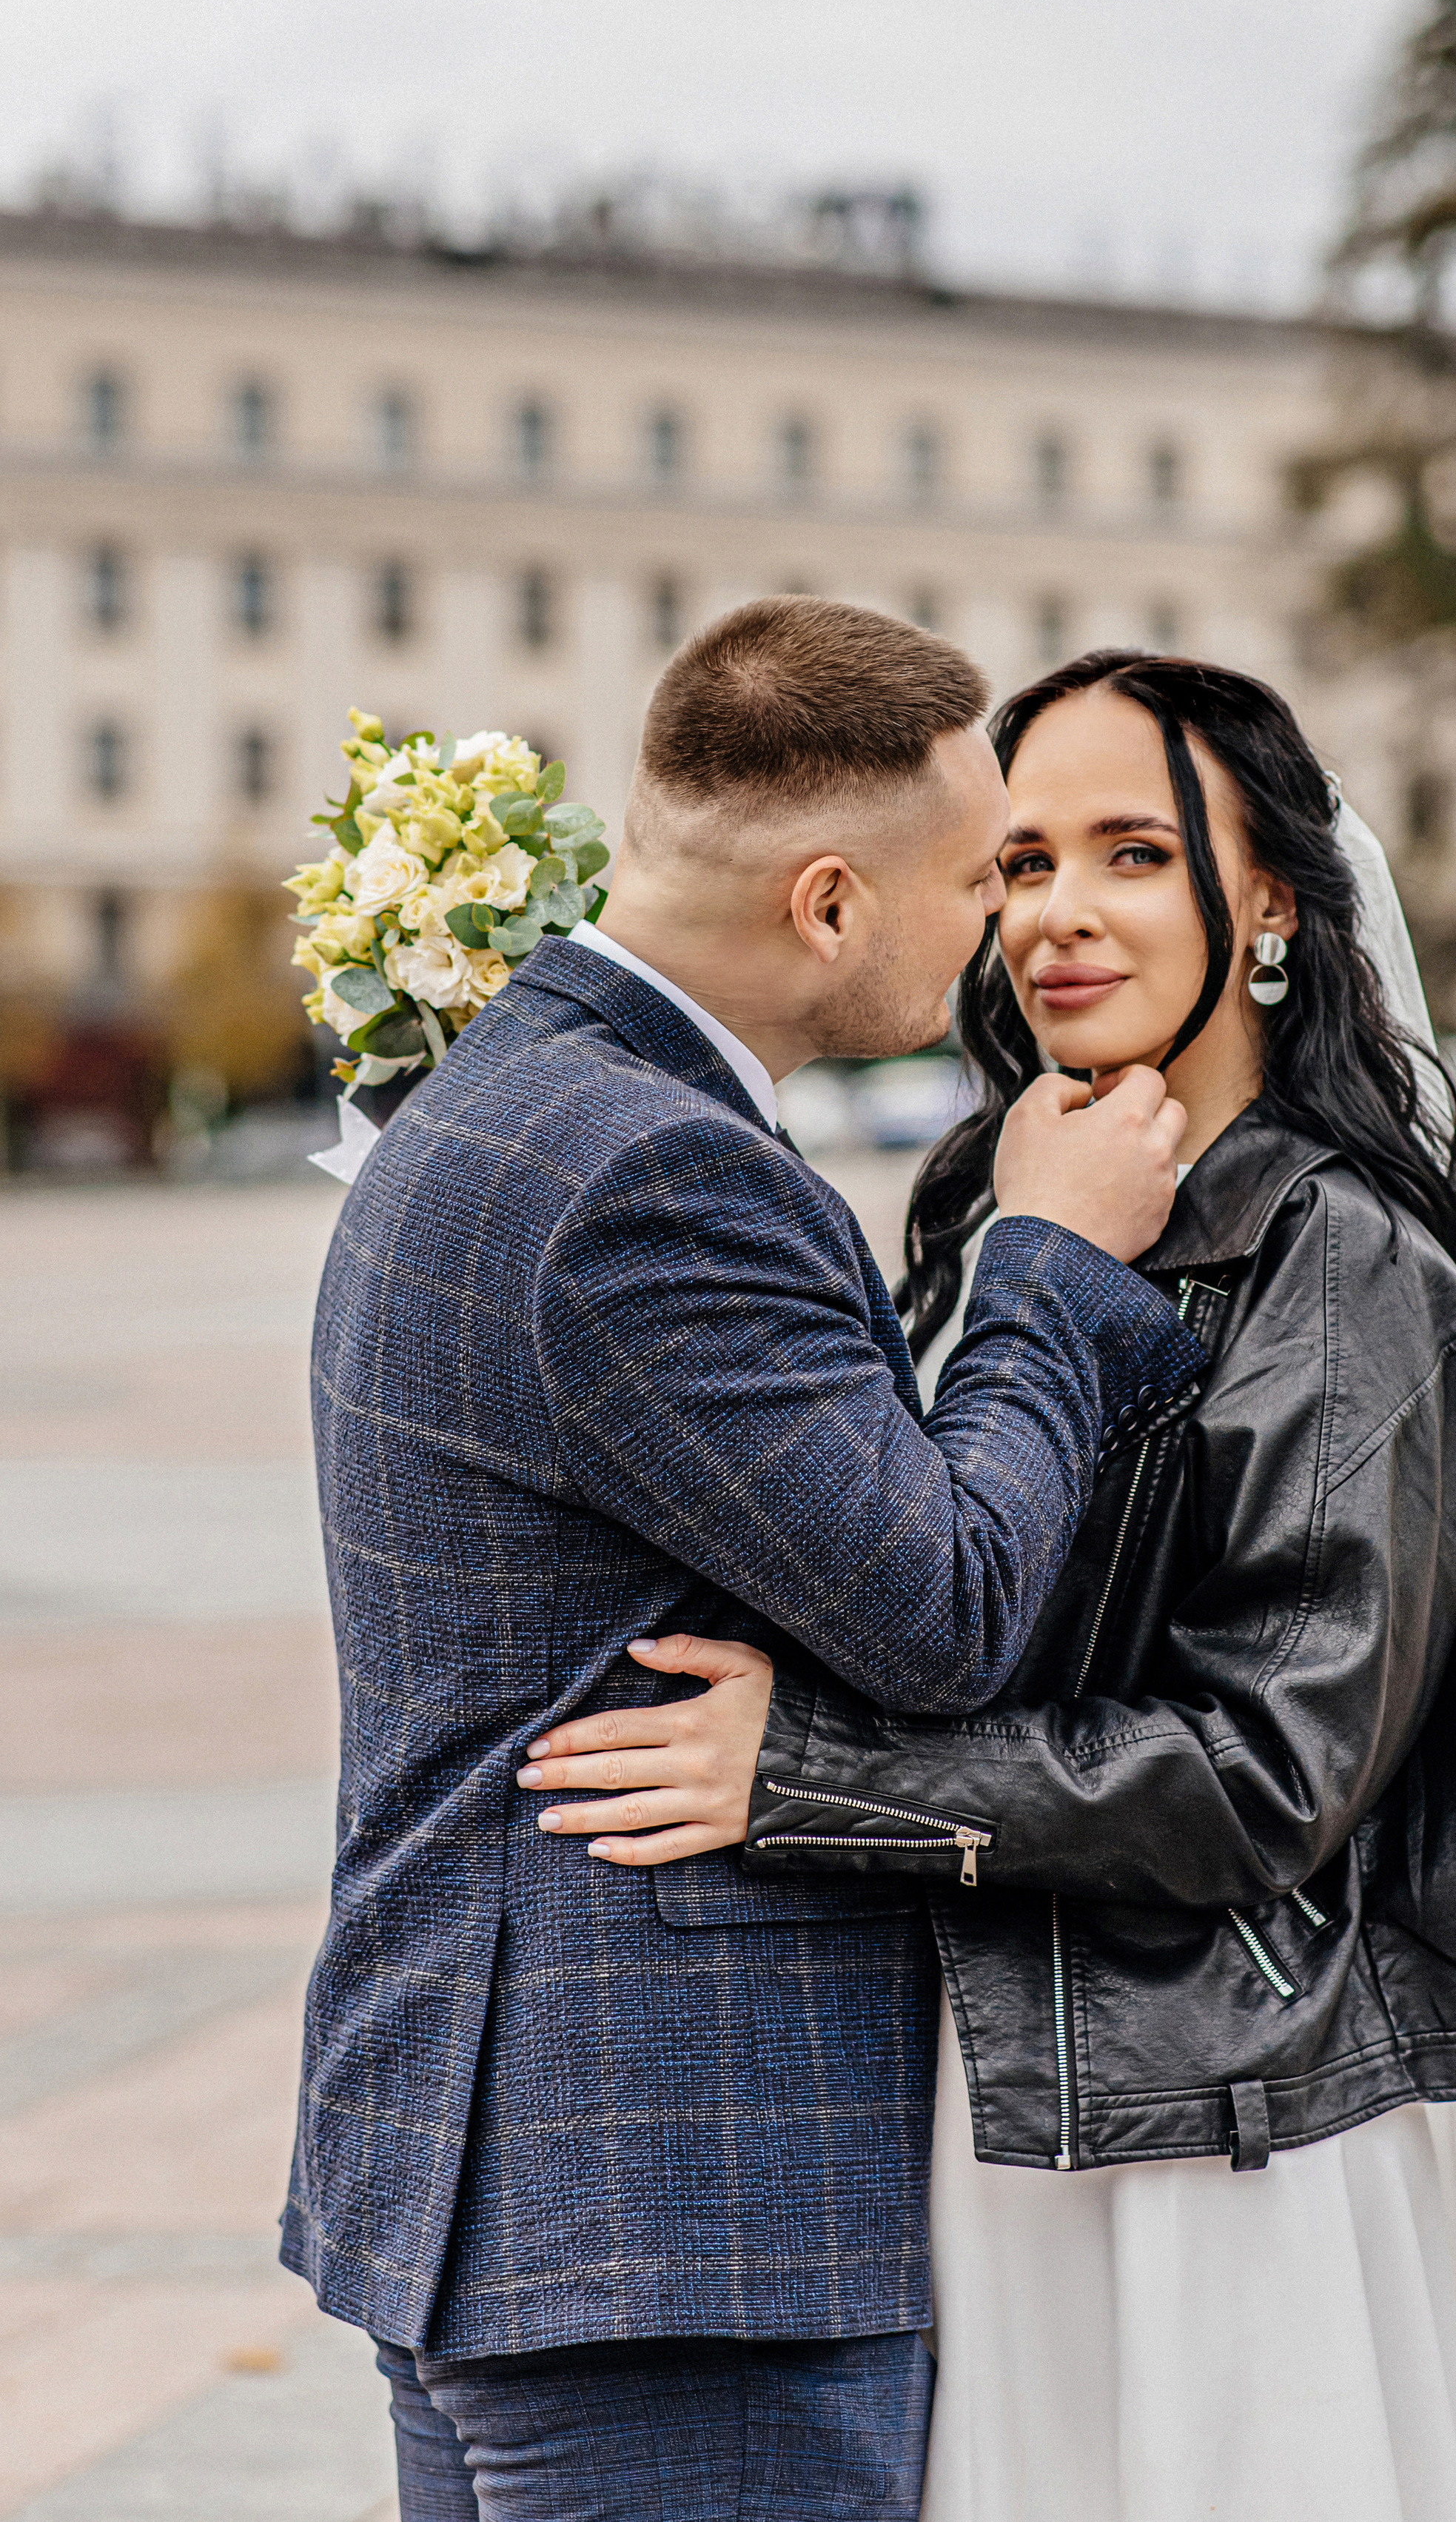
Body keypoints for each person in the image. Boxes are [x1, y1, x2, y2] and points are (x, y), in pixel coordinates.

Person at [531, 651, 1456, 2521]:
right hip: (999, 2087)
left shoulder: (1342, 1270)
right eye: (1015, 863)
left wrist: (805, 1779)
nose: (1057, 915)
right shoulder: (980, 1206)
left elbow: (1272, 1772)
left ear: (1262, 901)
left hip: (1219, 2134)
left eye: (1128, 855)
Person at [282, 601, 1208, 2522]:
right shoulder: (651, 1171)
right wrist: (1055, 1258)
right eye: (975, 879)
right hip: (675, 2212)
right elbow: (944, 1605)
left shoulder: (498, 1100)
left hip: (524, 2188)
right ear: (828, 904)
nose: (1004, 934)